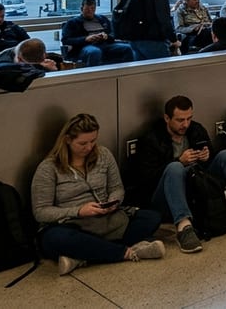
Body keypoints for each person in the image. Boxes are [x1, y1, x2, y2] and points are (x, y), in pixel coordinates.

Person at [129, 96, 226, 254]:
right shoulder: (151, 139)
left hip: (197, 188)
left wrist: (207, 157)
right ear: (167, 118)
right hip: (166, 195)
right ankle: (184, 227)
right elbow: (146, 180)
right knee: (175, 168)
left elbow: (208, 168)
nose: (185, 124)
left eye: (189, 119)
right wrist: (179, 161)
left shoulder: (196, 130)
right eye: (180, 120)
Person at [31, 113, 166, 275]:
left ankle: (81, 257)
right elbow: (41, 212)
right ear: (67, 140)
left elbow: (117, 188)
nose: (88, 147)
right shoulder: (49, 168)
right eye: (82, 143)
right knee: (56, 239)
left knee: (152, 217)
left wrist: (112, 202)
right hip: (71, 224)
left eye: (93, 141)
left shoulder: (103, 155)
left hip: (105, 219)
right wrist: (79, 211)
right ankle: (126, 252)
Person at [61, 0, 135, 67]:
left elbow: (113, 34)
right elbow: (66, 40)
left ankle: (125, 72)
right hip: (85, 46)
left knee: (127, 48)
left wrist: (106, 36)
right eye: (87, 9)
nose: (90, 11)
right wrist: (86, 39)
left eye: (92, 8)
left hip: (105, 44)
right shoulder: (73, 23)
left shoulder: (102, 19)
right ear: (82, 8)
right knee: (94, 52)